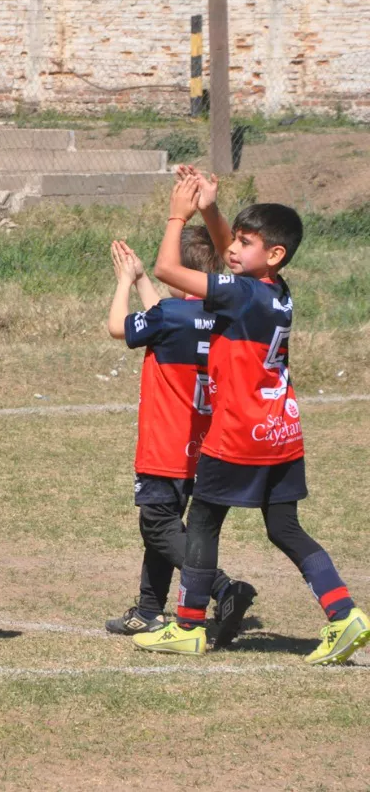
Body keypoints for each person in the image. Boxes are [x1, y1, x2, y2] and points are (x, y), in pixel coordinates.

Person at [135, 171, 369, 663]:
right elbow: (231, 259)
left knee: (202, 522)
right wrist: (210, 209)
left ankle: (188, 626)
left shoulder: (240, 294)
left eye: (246, 243)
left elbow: (166, 270)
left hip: (238, 433)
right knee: (285, 528)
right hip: (281, 431)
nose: (233, 249)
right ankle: (344, 614)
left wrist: (178, 216)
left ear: (274, 253)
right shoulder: (276, 290)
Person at [103, 229, 256, 646]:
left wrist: (124, 281)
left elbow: (118, 327)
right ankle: (148, 611)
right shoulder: (221, 316)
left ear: (180, 271)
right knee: (167, 523)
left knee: (157, 527)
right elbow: (167, 314)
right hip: (202, 446)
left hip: (165, 445)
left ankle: (223, 587)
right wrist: (141, 279)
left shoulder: (170, 315)